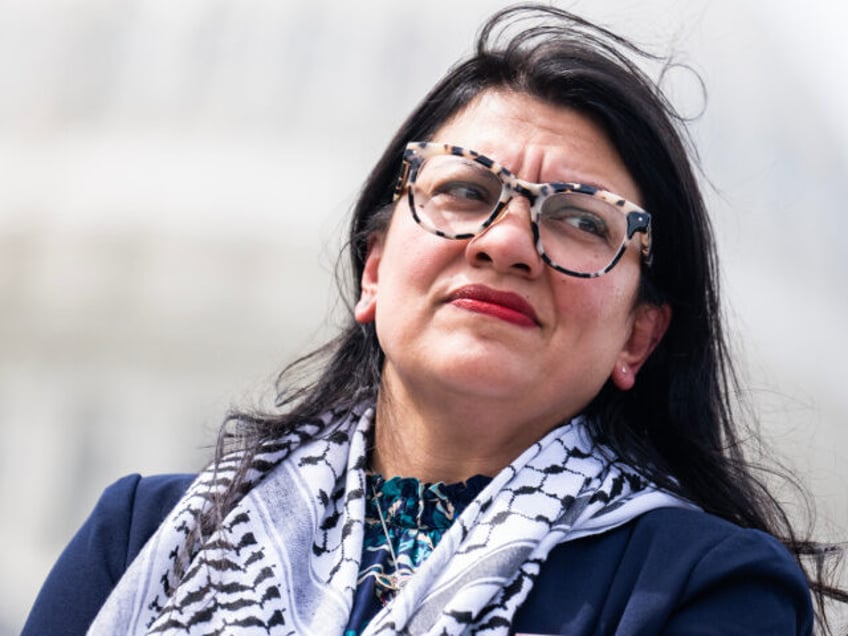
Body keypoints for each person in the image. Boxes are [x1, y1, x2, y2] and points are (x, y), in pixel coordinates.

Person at [22, 4, 845, 635]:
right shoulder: (146, 538)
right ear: (376, 269)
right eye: (465, 192)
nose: (507, 242)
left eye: (582, 220)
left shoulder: (701, 591)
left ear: (639, 335)